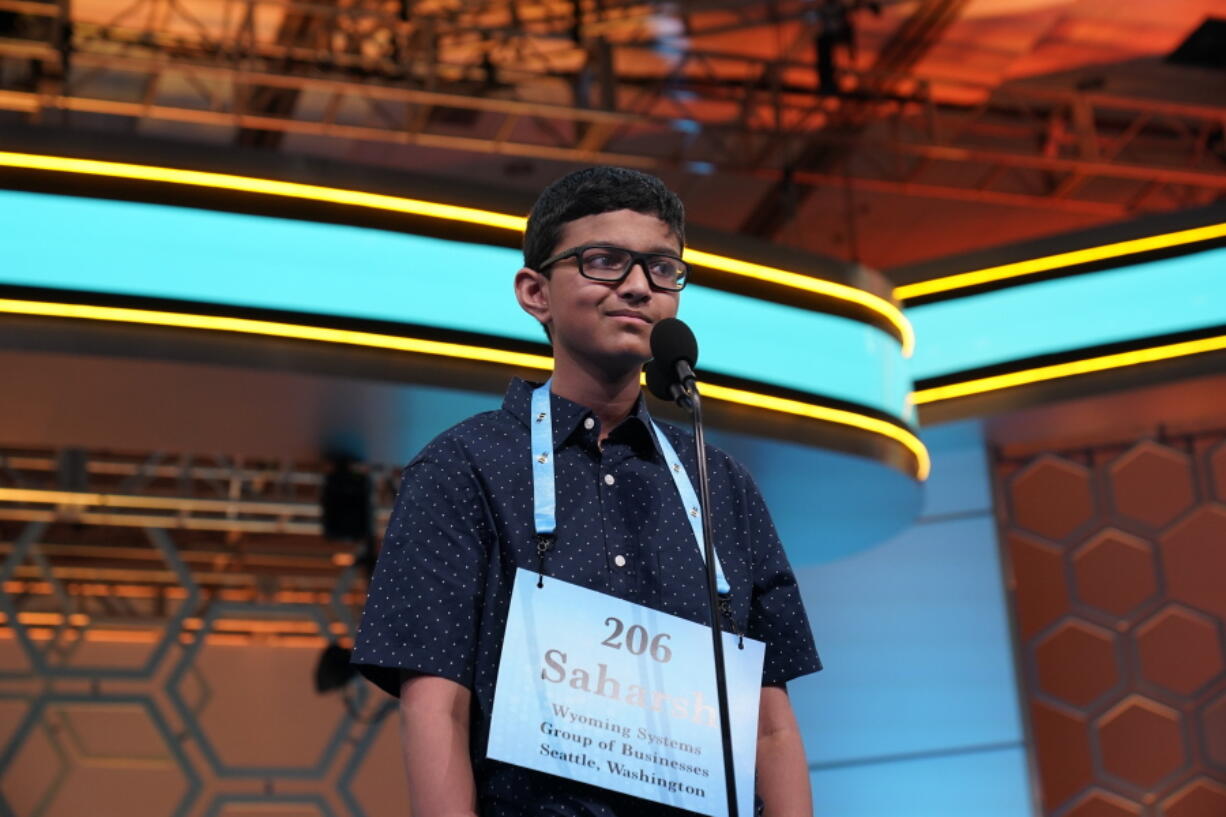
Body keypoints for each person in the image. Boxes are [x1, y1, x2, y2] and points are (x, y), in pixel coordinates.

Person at [351, 166, 822, 817]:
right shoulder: (464, 467)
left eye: (662, 268)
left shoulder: (725, 486)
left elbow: (771, 725)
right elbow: (437, 710)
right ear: (534, 291)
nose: (637, 286)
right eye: (604, 261)